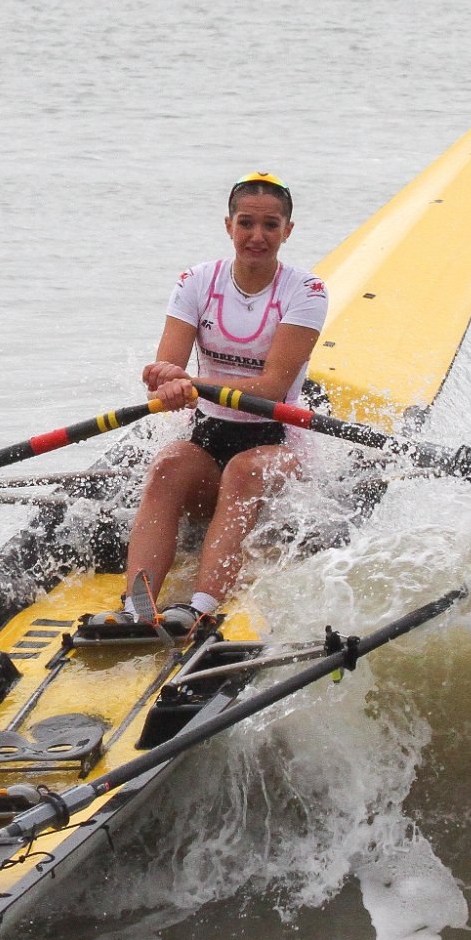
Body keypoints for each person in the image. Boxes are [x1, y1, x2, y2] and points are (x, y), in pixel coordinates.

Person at [97, 172, 329, 634]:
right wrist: (164, 380)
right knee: (167, 464)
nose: (257, 237)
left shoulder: (306, 291)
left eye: (270, 225)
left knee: (243, 471)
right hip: (209, 436)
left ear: (288, 231)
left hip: (277, 441)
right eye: (246, 223)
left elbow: (273, 384)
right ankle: (136, 606)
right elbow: (169, 369)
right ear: (228, 226)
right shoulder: (197, 281)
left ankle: (201, 605)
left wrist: (190, 383)